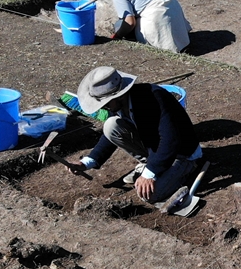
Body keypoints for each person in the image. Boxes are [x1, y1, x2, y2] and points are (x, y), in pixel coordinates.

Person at [58, 66, 202, 207]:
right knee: (111, 125)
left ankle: (185, 169)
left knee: (149, 195)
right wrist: (87, 162)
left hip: (182, 153)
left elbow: (171, 140)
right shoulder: (118, 105)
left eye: (106, 103)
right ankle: (154, 166)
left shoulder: (154, 98)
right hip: (155, 148)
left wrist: (149, 174)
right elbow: (109, 136)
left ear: (119, 95)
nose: (104, 107)